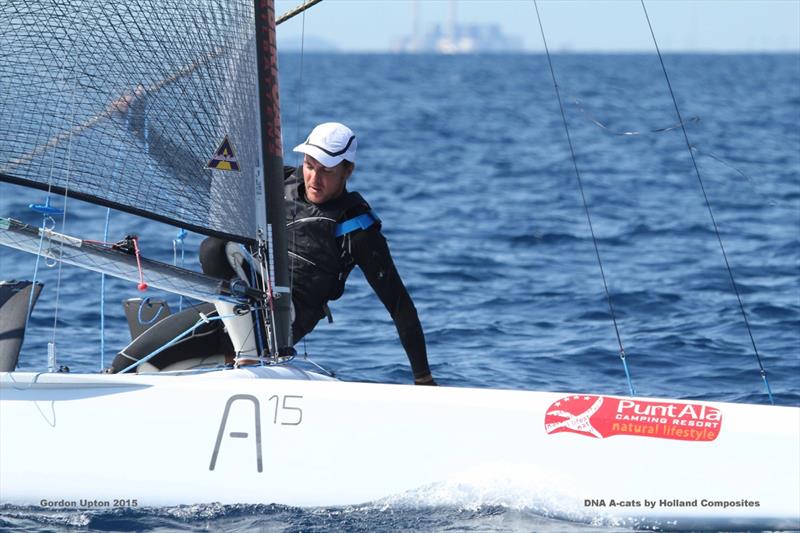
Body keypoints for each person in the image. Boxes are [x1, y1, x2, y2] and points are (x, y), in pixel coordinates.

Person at [199, 123, 435, 386]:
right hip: (240, 306)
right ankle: (243, 354)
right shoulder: (281, 181)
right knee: (147, 350)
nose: (314, 179)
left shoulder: (357, 228)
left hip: (282, 321)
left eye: (327, 171)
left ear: (348, 171)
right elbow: (207, 173)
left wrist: (423, 379)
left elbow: (399, 304)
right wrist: (145, 130)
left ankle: (249, 362)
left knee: (214, 249)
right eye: (310, 166)